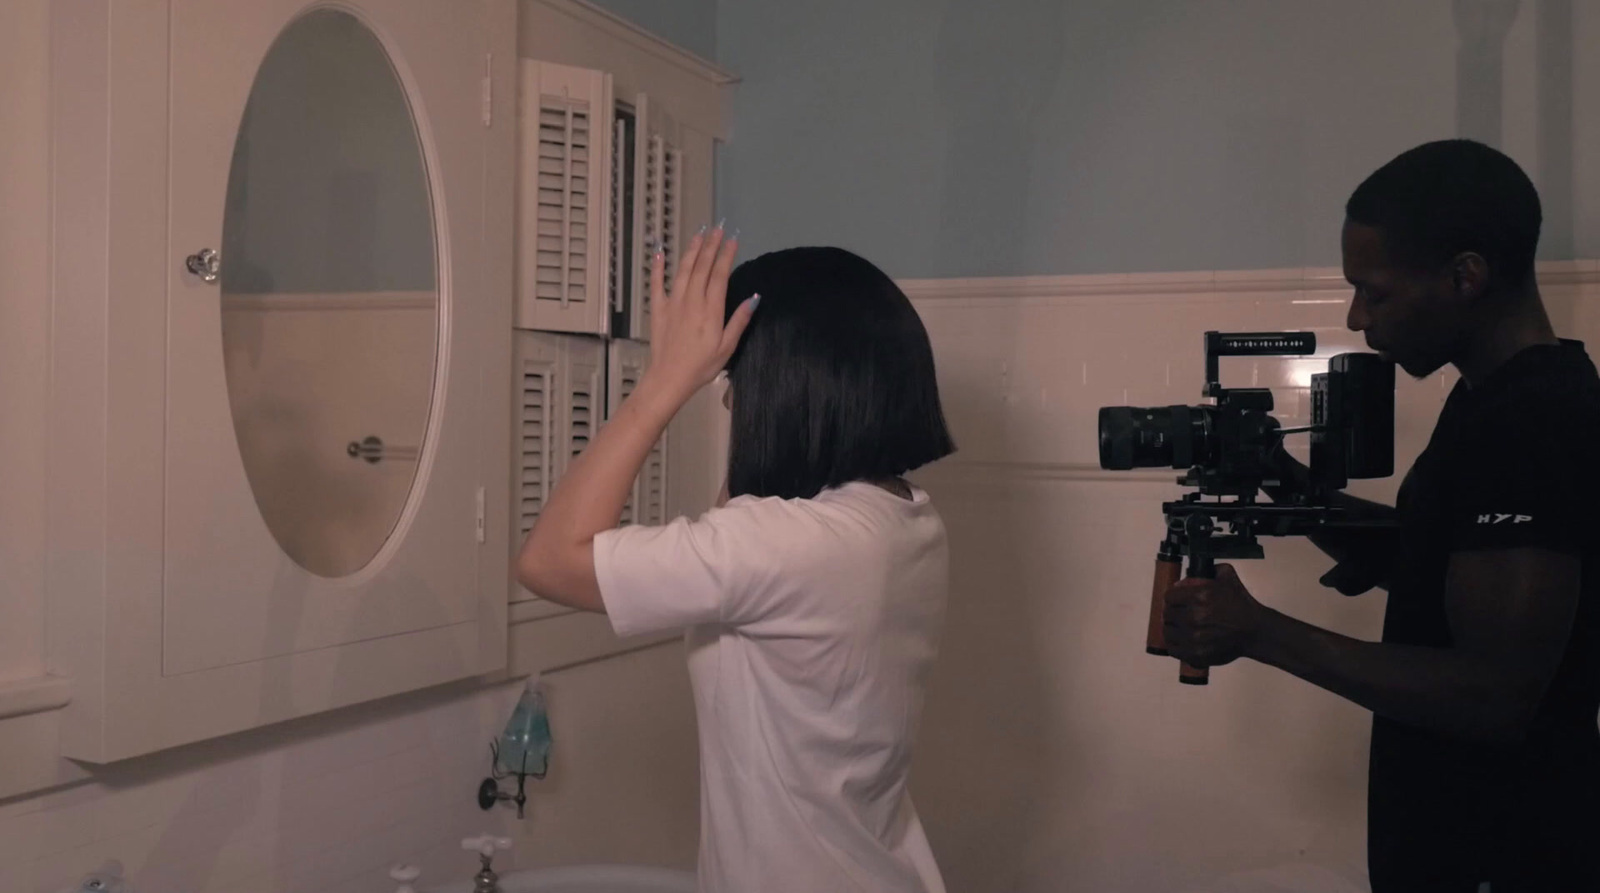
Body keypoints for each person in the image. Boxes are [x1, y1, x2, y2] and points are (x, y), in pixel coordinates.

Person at [1162, 139, 1600, 891]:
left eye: (1376, 292)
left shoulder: (1536, 418)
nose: (1357, 316)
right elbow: (1450, 565)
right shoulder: (1493, 396)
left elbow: (1495, 694)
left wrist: (1260, 631)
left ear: (1466, 276)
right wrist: (1282, 478)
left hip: (1509, 853)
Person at [516, 227, 957, 893]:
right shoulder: (907, 520)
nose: (727, 398)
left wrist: (661, 386)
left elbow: (549, 559)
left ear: (787, 383)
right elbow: (743, 508)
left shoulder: (788, 547)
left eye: (736, 378)